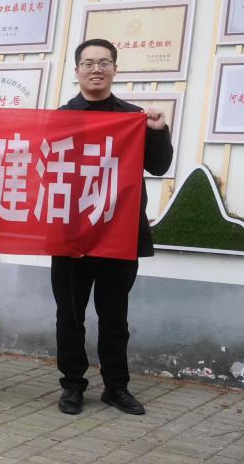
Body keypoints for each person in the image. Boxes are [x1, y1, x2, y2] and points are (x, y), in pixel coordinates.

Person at [52, 38, 173, 416]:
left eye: (104, 62)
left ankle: (116, 387)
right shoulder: (60, 118)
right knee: (70, 316)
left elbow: (158, 166)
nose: (96, 69)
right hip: (72, 234)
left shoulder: (134, 117)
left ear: (115, 70)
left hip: (119, 233)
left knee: (115, 316)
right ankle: (73, 385)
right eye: (88, 63)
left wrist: (157, 130)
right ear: (77, 71)